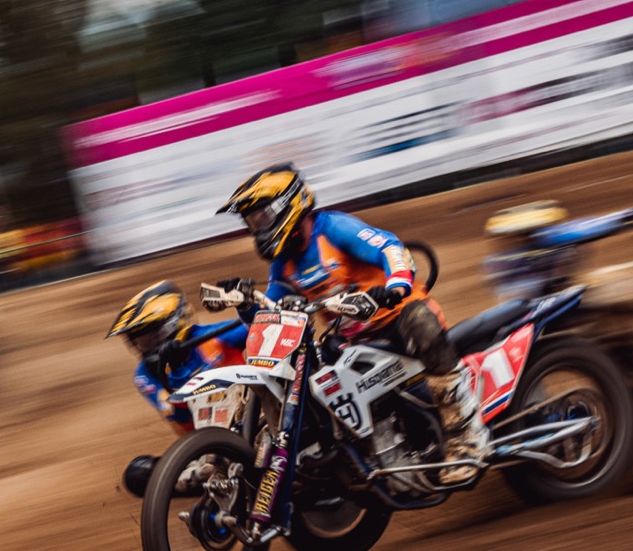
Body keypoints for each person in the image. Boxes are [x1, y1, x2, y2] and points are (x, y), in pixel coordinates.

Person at [217, 163, 490, 487]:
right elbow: (272, 312)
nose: (257, 227)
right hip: (353, 340)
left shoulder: (333, 229)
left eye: (261, 216)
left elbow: (389, 246)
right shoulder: (284, 262)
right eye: (251, 221)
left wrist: (396, 286)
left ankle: (467, 438)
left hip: (398, 319)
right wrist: (246, 305)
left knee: (421, 323)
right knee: (311, 373)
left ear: (288, 205)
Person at [106, 280, 249, 498]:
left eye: (155, 336)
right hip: (201, 447)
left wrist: (246, 306)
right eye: (141, 341)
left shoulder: (218, 337)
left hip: (250, 424)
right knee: (136, 474)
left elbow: (263, 325)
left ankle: (209, 477)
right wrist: (177, 370)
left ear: (178, 322)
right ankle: (207, 478)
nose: (148, 347)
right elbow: (179, 414)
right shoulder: (143, 374)